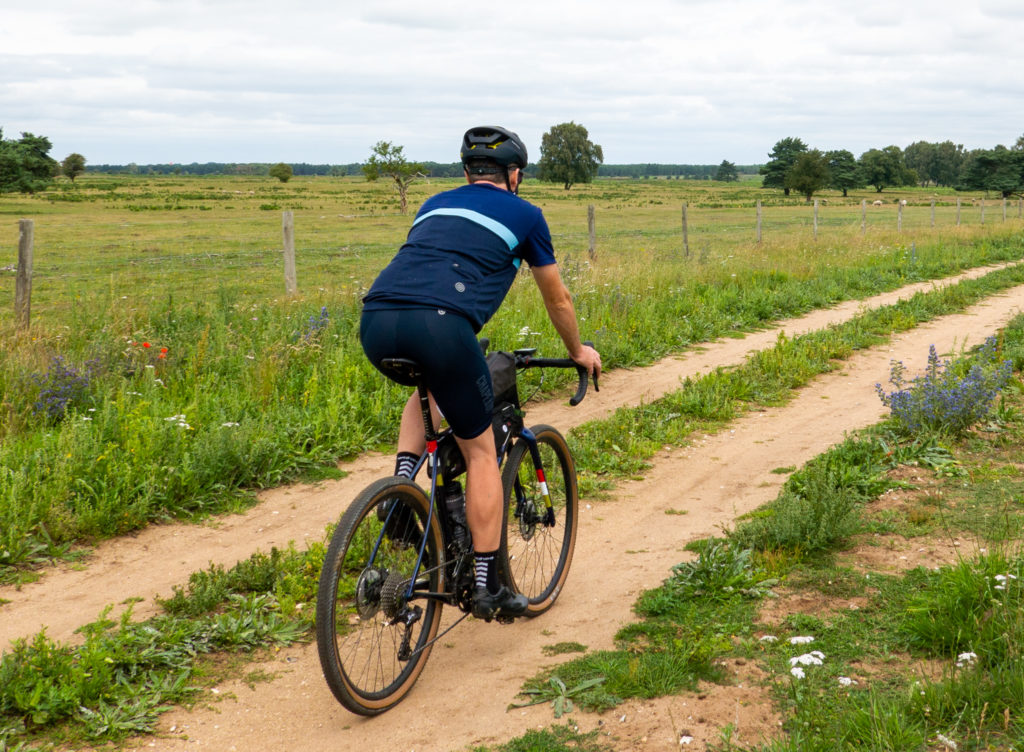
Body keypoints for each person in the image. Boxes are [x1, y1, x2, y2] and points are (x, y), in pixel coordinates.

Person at [360, 125, 601, 620]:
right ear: (514, 175)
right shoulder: (527, 215)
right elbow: (557, 296)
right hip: (442, 327)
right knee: (481, 450)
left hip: (377, 319)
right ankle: (489, 586)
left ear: (467, 172)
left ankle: (403, 490)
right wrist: (578, 350)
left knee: (427, 388)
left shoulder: (432, 204)